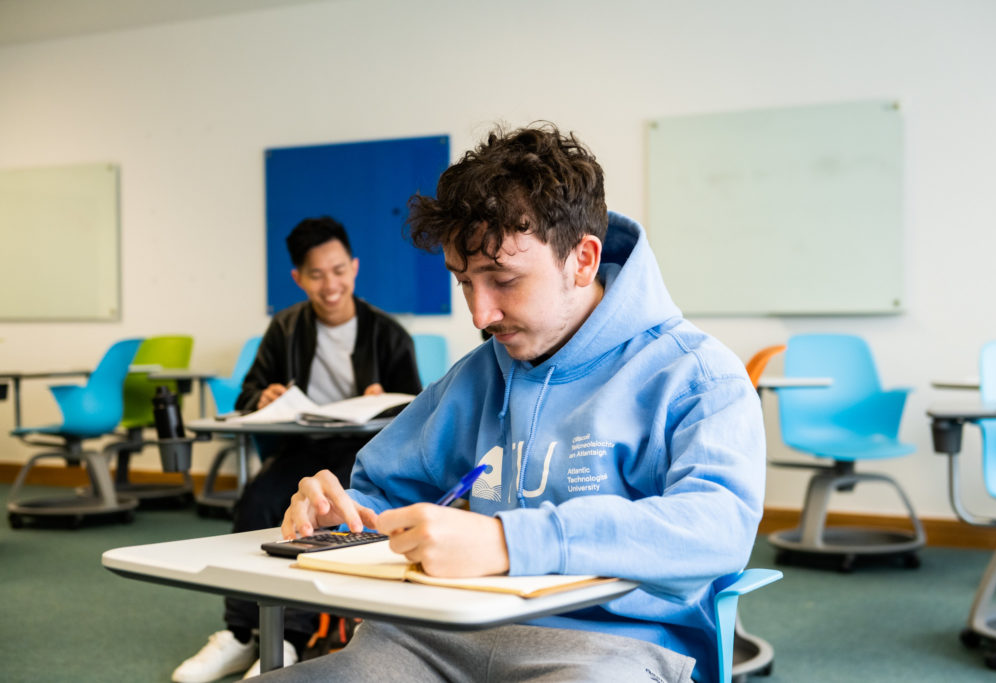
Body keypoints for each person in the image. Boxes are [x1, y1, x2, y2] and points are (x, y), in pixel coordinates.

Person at [265, 124, 766, 683]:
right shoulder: (478, 377)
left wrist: (508, 541)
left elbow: (718, 525)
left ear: (583, 259)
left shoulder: (693, 374)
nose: (480, 315)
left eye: (503, 279)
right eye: (464, 282)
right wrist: (345, 515)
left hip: (611, 649)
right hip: (436, 635)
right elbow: (382, 489)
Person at [173, 216, 422, 683]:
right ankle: (240, 633)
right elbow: (247, 397)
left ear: (354, 267)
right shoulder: (285, 328)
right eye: (316, 274)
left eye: (338, 270)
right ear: (298, 278)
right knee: (258, 498)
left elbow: (418, 415)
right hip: (300, 451)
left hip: (361, 456)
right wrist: (261, 398)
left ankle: (288, 636)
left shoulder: (388, 335)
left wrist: (383, 404)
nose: (330, 285)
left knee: (329, 511)